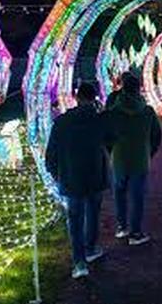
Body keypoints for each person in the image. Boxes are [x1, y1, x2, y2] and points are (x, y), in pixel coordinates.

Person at [46, 83, 108, 279]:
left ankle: (79, 262)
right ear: (95, 98)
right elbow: (112, 141)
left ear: (76, 97)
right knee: (92, 215)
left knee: (75, 220)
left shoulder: (62, 122)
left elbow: (51, 155)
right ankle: (91, 249)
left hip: (70, 179)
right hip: (95, 177)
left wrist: (57, 174)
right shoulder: (100, 120)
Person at [101, 71, 162, 245]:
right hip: (140, 159)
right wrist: (148, 152)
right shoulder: (148, 112)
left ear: (122, 89)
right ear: (139, 89)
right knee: (137, 197)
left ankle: (122, 226)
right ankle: (136, 233)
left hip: (119, 159)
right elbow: (157, 136)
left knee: (119, 194)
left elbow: (105, 135)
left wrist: (112, 150)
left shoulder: (113, 112)